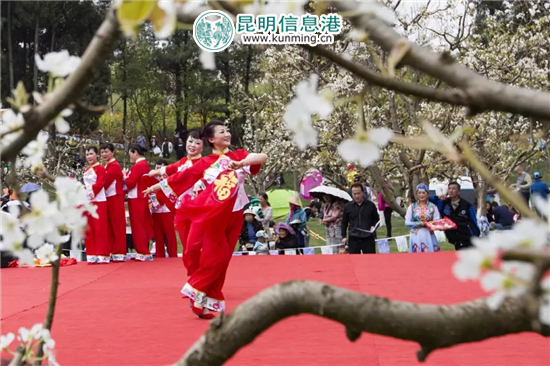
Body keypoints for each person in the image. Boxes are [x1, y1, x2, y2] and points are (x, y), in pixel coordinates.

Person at [144, 120, 267, 319]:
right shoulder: (205, 162)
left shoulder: (239, 155)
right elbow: (181, 177)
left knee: (224, 258)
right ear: (211, 139)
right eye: (222, 132)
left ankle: (206, 300)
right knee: (213, 255)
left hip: (235, 214)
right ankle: (197, 288)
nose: (227, 134)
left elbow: (263, 156)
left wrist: (242, 163)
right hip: (215, 215)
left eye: (227, 130)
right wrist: (155, 187)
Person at [148, 129, 204, 271]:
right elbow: (172, 168)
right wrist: (156, 172)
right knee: (186, 242)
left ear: (204, 146)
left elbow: (179, 178)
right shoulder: (185, 161)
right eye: (190, 141)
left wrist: (157, 186)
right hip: (182, 207)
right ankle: (193, 275)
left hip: (197, 206)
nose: (192, 145)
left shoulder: (202, 163)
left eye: (197, 143)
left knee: (196, 242)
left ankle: (200, 275)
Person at [429, 182, 480, 250]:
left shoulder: (467, 205)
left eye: (454, 189)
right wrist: (438, 197)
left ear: (459, 191)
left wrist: (476, 236)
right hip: (454, 238)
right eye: (449, 189)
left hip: (467, 236)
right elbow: (429, 199)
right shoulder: (443, 203)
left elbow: (474, 221)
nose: (451, 191)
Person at [125, 144, 154, 261]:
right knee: (142, 223)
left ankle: (142, 251)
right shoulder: (144, 165)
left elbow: (131, 182)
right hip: (141, 197)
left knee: (138, 225)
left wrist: (125, 177)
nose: (130, 157)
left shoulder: (137, 166)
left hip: (136, 197)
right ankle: (142, 250)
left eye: (131, 154)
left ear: (135, 152)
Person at [83, 146, 110, 264]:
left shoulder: (101, 169)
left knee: (100, 228)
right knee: (90, 228)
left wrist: (88, 191)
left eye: (91, 154)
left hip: (99, 200)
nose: (89, 156)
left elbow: (100, 184)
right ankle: (91, 254)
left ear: (97, 155)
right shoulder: (87, 169)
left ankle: (102, 254)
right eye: (87, 154)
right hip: (89, 201)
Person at [100, 143, 127, 262]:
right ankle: (112, 249)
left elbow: (104, 183)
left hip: (115, 198)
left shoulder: (114, 166)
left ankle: (119, 251)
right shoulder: (106, 166)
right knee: (110, 225)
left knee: (117, 225)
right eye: (102, 152)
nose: (104, 154)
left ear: (112, 152)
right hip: (108, 198)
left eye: (106, 151)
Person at [149, 159, 178, 258]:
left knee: (170, 234)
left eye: (161, 168)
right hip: (155, 211)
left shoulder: (169, 180)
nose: (158, 170)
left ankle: (172, 254)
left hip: (167, 210)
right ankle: (159, 255)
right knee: (157, 235)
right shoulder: (151, 181)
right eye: (157, 168)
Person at [341, 183, 380, 254]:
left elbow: (376, 219)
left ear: (363, 193)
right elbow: (344, 222)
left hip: (368, 238)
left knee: (370, 260)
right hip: (353, 238)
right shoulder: (348, 207)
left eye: (358, 193)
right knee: (354, 262)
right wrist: (343, 236)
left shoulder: (370, 205)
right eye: (354, 194)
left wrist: (373, 226)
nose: (356, 196)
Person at [405, 184, 441, 252]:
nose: (421, 195)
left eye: (423, 193)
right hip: (416, 234)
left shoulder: (433, 207)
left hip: (428, 234)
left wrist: (430, 224)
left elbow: (437, 221)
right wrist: (419, 223)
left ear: (427, 194)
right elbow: (407, 222)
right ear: (416, 194)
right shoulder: (412, 207)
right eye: (419, 193)